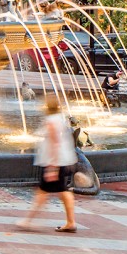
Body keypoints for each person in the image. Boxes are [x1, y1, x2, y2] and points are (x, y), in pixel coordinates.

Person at [22, 96, 78, 232]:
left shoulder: (51, 121)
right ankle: (71, 222)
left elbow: (55, 143)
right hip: (64, 160)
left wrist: (52, 167)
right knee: (63, 191)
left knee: (43, 192)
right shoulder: (60, 118)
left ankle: (27, 221)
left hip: (54, 162)